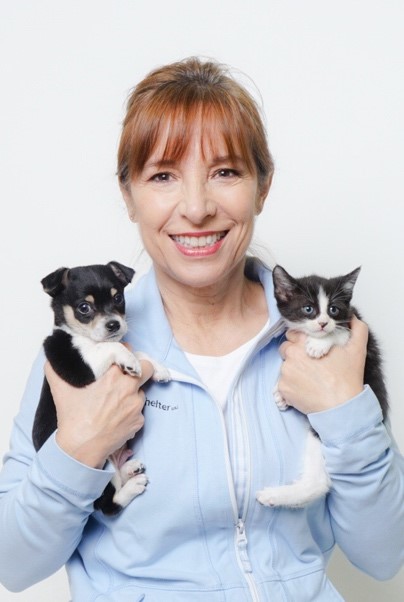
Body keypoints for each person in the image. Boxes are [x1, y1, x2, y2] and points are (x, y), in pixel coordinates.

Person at [0, 56, 403, 602]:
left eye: (225, 172)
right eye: (163, 175)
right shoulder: (85, 353)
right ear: (128, 195)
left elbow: (384, 557)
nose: (196, 208)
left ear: (262, 187)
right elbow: (15, 564)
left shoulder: (326, 344)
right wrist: (79, 445)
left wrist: (345, 412)